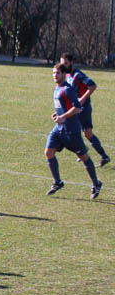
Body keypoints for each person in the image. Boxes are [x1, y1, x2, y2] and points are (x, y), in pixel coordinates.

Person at [45, 63, 102, 199]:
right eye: (53, 73)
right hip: (59, 129)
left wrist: (63, 117)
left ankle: (96, 184)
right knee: (48, 152)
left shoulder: (67, 89)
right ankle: (57, 182)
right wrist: (58, 114)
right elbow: (65, 106)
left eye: (57, 73)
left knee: (83, 157)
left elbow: (77, 108)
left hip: (71, 130)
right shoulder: (57, 89)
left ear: (64, 74)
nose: (55, 75)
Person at [60, 52, 110, 166]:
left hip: (83, 109)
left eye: (65, 63)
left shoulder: (78, 75)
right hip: (76, 109)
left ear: (72, 62)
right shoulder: (67, 75)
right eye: (62, 64)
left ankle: (88, 152)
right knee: (80, 132)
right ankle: (89, 153)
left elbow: (92, 85)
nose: (63, 66)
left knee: (79, 131)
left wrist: (82, 99)